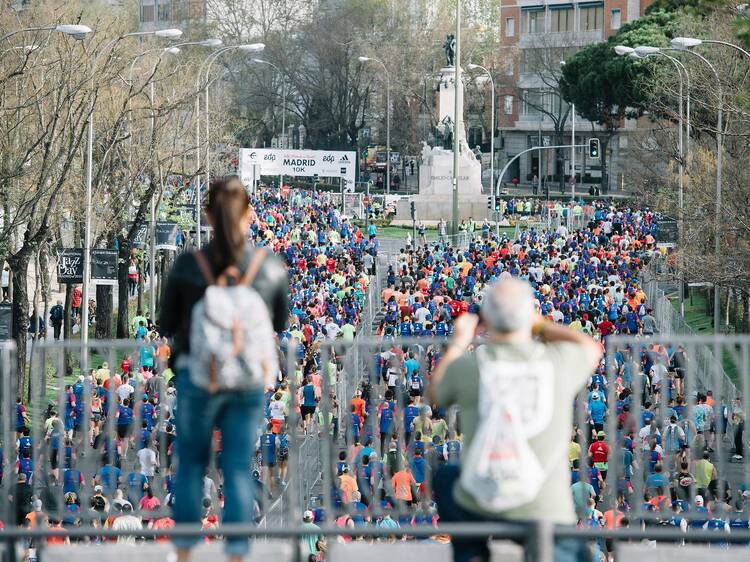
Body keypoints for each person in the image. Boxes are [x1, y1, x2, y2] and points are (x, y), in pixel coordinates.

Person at [428, 277, 602, 562]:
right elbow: (592, 348)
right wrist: (540, 325)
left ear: (486, 320)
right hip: (544, 507)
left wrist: (459, 344)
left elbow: (436, 390)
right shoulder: (556, 363)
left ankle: (471, 553)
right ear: (528, 316)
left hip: (482, 499)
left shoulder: (471, 367)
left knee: (447, 476)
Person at [160, 177, 288, 562]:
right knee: (235, 467)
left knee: (191, 466)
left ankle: (184, 551)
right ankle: (236, 553)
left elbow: (166, 322)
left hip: (198, 378)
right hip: (247, 382)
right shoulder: (269, 268)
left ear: (207, 215)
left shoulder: (187, 266)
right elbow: (279, 323)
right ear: (250, 214)